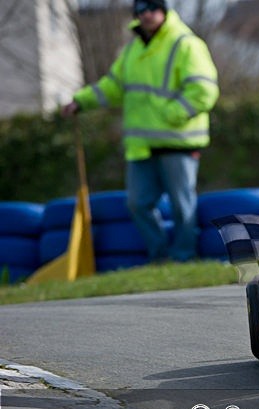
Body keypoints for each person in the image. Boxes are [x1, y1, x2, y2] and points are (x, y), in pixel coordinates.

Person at [62, 0, 219, 262]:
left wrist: (171, 114)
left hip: (178, 142)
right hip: (142, 145)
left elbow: (204, 90)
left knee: (183, 205)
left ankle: (184, 257)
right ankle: (159, 258)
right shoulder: (131, 49)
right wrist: (81, 100)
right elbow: (112, 87)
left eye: (152, 8)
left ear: (164, 11)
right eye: (140, 10)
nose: (146, 14)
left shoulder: (186, 44)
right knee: (137, 204)